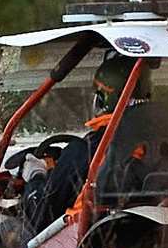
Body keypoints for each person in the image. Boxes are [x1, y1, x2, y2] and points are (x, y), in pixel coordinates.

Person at [17, 53, 141, 235]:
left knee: (5, 230)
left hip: (84, 246)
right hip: (153, 238)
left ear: (100, 100)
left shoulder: (86, 151)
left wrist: (36, 177)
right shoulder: (167, 143)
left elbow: (40, 218)